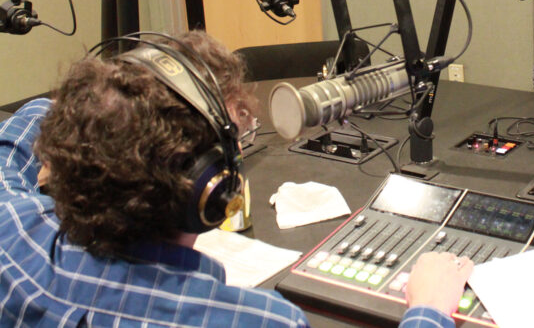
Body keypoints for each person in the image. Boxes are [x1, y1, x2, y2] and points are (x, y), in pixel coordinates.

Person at [0, 30, 473, 327]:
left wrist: (99, 106)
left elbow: (13, 143)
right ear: (208, 187)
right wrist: (428, 310)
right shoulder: (260, 321)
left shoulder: (12, 237)